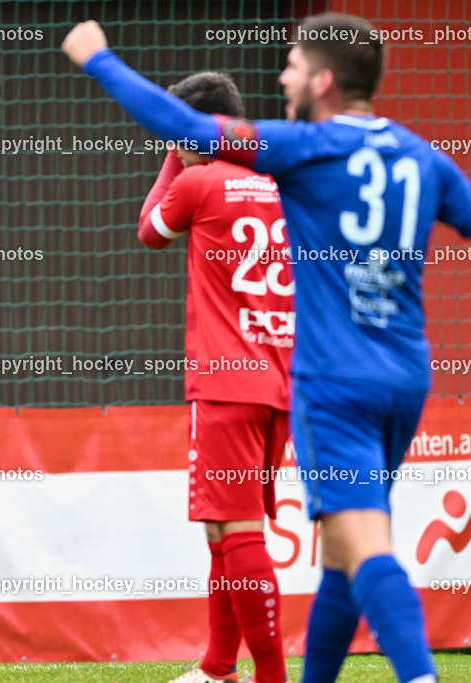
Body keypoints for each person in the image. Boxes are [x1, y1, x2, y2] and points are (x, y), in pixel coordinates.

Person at [63, 13, 471, 683]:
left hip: (327, 382)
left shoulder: (303, 151)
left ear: (325, 80)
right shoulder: (423, 156)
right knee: (341, 546)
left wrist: (98, 59)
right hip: (403, 376)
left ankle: (415, 675)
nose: (282, 77)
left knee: (361, 544)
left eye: (294, 65)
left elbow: (180, 152)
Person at [138, 72, 292, 683]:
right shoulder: (278, 183)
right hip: (280, 379)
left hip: (228, 381)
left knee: (238, 528)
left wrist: (176, 155)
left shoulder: (199, 182)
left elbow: (150, 229)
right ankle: (218, 666)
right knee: (225, 525)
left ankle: (271, 676)